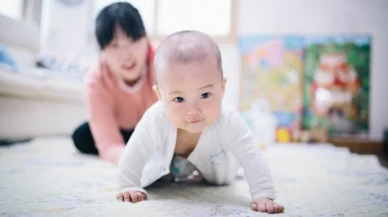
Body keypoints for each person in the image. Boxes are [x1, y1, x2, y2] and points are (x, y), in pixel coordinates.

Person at [115, 30, 284, 214]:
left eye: (204, 95)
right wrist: (128, 185)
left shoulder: (228, 119)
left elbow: (250, 154)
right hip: (169, 175)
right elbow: (135, 150)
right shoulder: (155, 119)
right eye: (178, 99)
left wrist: (263, 194)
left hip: (219, 169)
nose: (193, 110)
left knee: (242, 153)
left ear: (222, 88)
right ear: (160, 96)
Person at [72, 2, 157, 165]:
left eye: (133, 40)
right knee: (81, 136)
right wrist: (130, 160)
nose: (127, 55)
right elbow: (109, 143)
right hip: (121, 129)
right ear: (103, 50)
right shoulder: (96, 79)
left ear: (146, 38)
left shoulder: (164, 63)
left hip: (155, 130)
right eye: (115, 45)